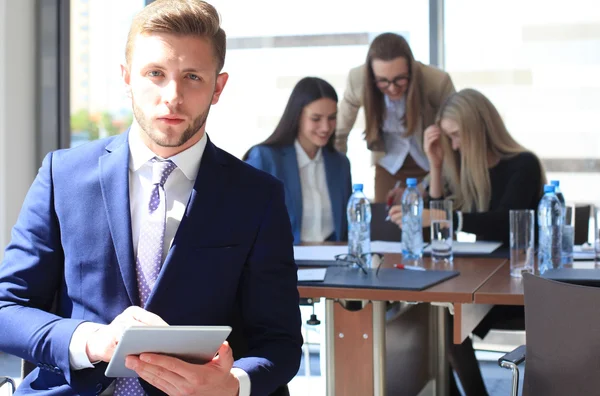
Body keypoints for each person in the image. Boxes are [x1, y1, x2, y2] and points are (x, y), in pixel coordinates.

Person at [0, 1, 302, 395]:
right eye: (155, 73)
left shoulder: (258, 196)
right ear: (126, 78)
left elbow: (280, 342)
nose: (172, 96)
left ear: (218, 87)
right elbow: (7, 309)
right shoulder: (64, 175)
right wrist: (93, 341)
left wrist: (231, 385)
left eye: (192, 76)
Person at [390, 88, 545, 395]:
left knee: (444, 320)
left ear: (479, 128)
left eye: (458, 135)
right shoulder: (464, 167)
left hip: (521, 286)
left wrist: (443, 218)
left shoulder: (523, 164)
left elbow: (505, 222)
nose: (455, 145)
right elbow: (439, 228)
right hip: (484, 282)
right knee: (436, 315)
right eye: (449, 138)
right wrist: (435, 166)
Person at [335, 32, 455, 203]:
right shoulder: (358, 80)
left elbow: (456, 140)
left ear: (411, 71)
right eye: (383, 81)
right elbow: (338, 134)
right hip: (388, 165)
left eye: (400, 79)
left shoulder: (437, 82)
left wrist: (423, 187)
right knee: (386, 225)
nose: (392, 88)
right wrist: (337, 180)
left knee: (432, 222)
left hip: (434, 165)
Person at [244, 77, 352, 245]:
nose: (326, 127)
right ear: (297, 116)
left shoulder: (340, 164)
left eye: (332, 118)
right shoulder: (265, 159)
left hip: (333, 262)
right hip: (280, 265)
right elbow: (243, 223)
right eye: (316, 119)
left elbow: (346, 229)